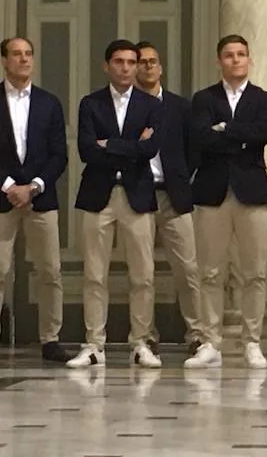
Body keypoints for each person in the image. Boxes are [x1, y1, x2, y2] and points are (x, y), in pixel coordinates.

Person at [67, 40, 162, 369]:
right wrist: (132, 144)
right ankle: (94, 344)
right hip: (98, 195)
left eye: (131, 62)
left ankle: (140, 342)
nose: (126, 67)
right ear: (107, 66)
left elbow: (150, 151)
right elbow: (87, 151)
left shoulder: (150, 104)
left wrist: (112, 144)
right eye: (119, 61)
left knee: (143, 275)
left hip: (136, 194)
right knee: (94, 274)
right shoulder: (90, 104)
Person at [184, 35, 267, 370]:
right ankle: (211, 341)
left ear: (249, 59)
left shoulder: (263, 99)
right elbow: (202, 137)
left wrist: (226, 129)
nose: (235, 60)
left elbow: (263, 132)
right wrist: (237, 135)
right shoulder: (204, 98)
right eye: (228, 55)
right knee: (210, 271)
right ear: (219, 60)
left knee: (255, 272)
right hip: (212, 191)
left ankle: (252, 341)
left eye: (241, 55)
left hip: (251, 190)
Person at [0, 37, 70, 363]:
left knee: (50, 271)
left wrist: (33, 187)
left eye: (28, 54)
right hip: (3, 198)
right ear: (4, 60)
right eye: (16, 54)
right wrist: (10, 186)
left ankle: (50, 338)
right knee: (0, 270)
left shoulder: (49, 102)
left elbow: (59, 154)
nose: (24, 60)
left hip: (41, 198)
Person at [134, 41, 203, 356]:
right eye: (142, 61)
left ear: (160, 67)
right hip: (138, 194)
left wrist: (181, 176)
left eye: (153, 61)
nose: (148, 66)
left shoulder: (180, 106)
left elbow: (194, 148)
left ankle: (197, 334)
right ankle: (145, 334)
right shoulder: (127, 107)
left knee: (188, 268)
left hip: (174, 194)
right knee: (142, 271)